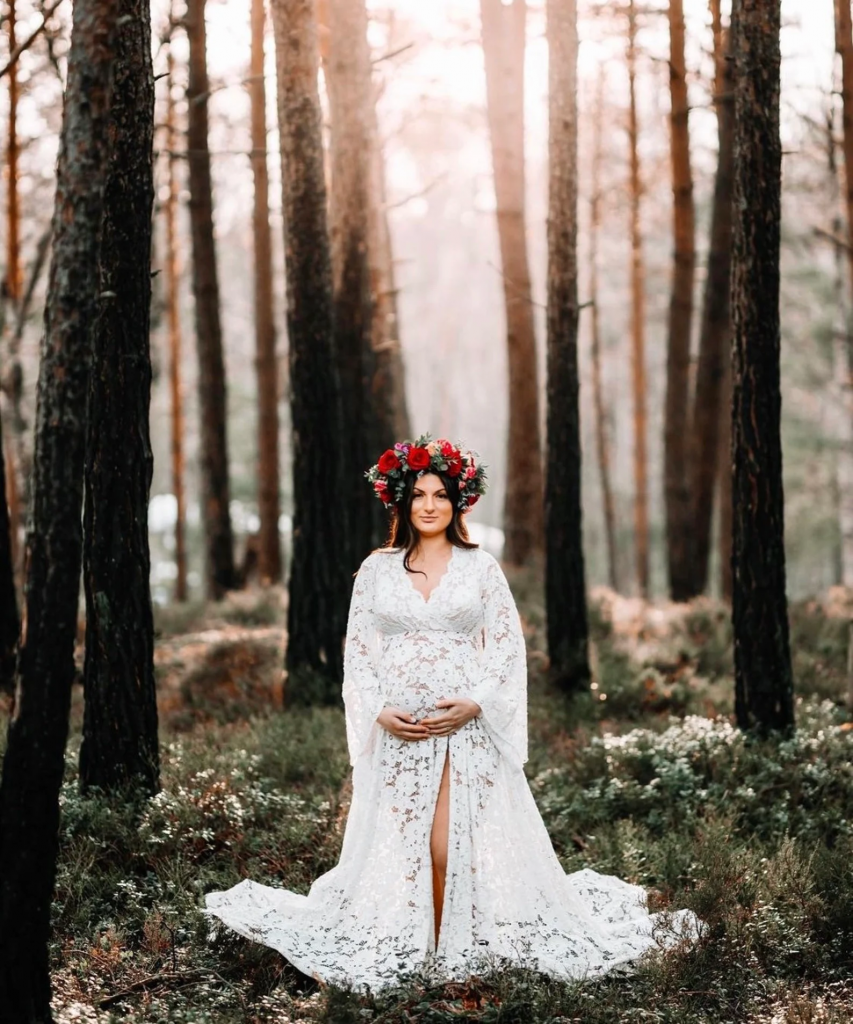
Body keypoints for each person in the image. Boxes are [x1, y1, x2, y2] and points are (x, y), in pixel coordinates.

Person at [202, 434, 699, 991]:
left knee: (447, 842)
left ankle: (448, 951)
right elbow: (358, 657)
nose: (430, 505)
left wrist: (475, 704)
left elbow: (508, 652)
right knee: (410, 846)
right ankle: (422, 943)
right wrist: (378, 712)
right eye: (419, 494)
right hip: (401, 735)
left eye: (441, 494)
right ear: (402, 501)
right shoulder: (377, 570)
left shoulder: (480, 568)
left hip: (463, 731)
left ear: (458, 501)